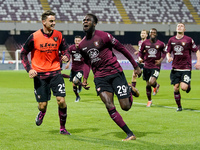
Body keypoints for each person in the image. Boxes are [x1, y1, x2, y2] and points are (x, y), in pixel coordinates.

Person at [79, 13, 142, 141]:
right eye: (84, 20)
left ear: (95, 23)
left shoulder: (104, 36)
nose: (85, 22)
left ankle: (129, 89)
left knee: (126, 107)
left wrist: (135, 66)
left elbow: (123, 50)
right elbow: (86, 62)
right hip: (100, 78)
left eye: (88, 20)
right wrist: (85, 78)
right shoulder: (81, 45)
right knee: (109, 104)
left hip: (115, 73)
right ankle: (129, 134)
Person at [20, 10, 71, 135]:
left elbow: (66, 50)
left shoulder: (58, 35)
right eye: (51, 21)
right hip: (40, 75)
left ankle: (62, 128)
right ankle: (42, 111)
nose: (54, 23)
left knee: (61, 101)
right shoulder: (34, 37)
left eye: (54, 21)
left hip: (55, 73)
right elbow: (23, 53)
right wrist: (29, 69)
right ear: (44, 22)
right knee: (42, 105)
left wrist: (66, 56)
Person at [166, 23, 200, 111]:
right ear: (176, 29)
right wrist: (168, 57)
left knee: (183, 87)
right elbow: (168, 52)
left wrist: (198, 62)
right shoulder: (171, 40)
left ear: (184, 29)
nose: (179, 27)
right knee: (175, 87)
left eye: (181, 26)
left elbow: (197, 51)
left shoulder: (188, 40)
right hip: (175, 68)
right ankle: (179, 107)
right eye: (178, 26)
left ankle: (188, 85)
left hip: (186, 67)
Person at [138, 28, 166, 107]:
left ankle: (156, 85)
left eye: (154, 32)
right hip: (146, 65)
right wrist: (140, 58)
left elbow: (164, 52)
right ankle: (149, 100)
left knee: (151, 82)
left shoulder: (161, 44)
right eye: (151, 32)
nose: (153, 33)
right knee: (147, 85)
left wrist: (160, 60)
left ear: (156, 34)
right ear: (149, 34)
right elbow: (140, 52)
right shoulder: (144, 43)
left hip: (156, 66)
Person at [67, 35, 89, 102]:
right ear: (74, 41)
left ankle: (77, 96)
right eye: (76, 41)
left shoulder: (84, 48)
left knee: (74, 81)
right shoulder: (71, 48)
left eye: (78, 41)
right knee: (74, 84)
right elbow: (68, 55)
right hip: (73, 69)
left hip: (81, 69)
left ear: (81, 41)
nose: (77, 42)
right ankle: (78, 95)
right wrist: (68, 62)